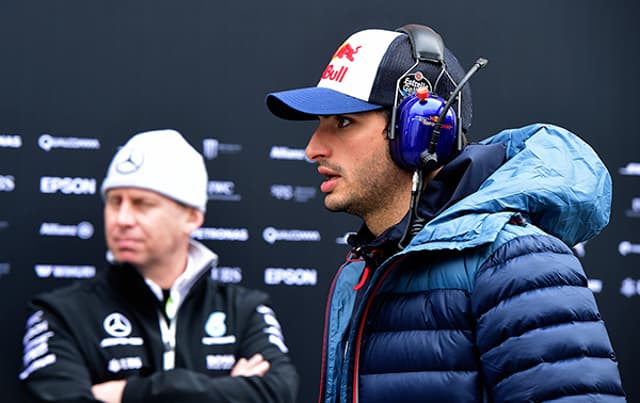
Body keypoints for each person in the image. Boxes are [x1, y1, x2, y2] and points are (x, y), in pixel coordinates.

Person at [265, 23, 626, 402]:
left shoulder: (515, 260)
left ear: (420, 131)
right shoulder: (363, 271)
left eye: (343, 122)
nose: (313, 148)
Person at [19, 129, 299, 403]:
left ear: (191, 217)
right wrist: (227, 390)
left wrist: (126, 394)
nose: (123, 219)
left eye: (143, 204)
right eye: (115, 202)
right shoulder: (60, 315)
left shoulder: (244, 311)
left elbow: (278, 391)